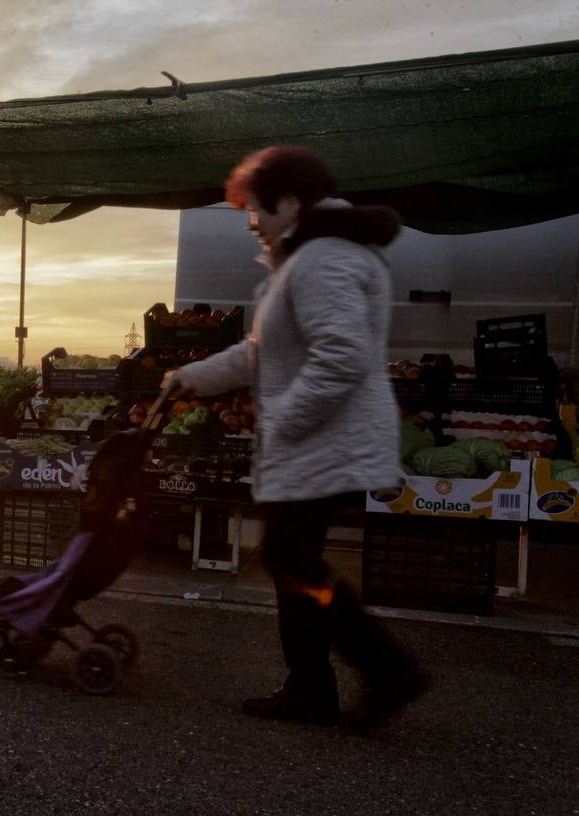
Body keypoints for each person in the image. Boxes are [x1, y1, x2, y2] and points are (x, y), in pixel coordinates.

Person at [164, 145, 427, 732]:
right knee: (292, 560)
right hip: (318, 440)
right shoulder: (306, 259)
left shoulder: (325, 259)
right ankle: (325, 684)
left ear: (288, 202)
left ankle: (379, 672)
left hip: (324, 441)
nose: (250, 223)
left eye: (254, 209)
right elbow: (260, 351)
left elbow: (342, 355)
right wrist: (191, 378)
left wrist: (282, 419)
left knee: (289, 558)